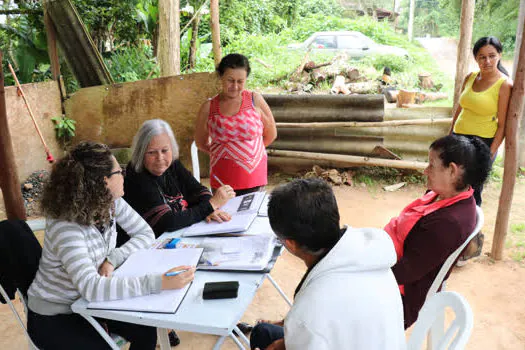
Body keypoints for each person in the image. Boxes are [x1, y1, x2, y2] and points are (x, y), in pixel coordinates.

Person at [27, 141, 195, 350]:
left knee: (145, 330)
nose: (123, 176)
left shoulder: (111, 202)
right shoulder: (66, 225)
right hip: (56, 315)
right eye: (119, 171)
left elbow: (145, 233)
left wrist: (112, 259)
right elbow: (91, 287)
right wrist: (159, 282)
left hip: (90, 304)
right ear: (103, 181)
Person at [250, 179, 406, 350]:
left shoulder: (309, 311)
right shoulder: (371, 256)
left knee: (263, 335)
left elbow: (315, 324)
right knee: (263, 332)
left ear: (291, 244)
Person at [386, 135, 491, 329]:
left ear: (452, 170)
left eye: (431, 165)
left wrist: (363, 272)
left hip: (398, 297)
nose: (425, 170)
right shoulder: (441, 195)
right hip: (387, 261)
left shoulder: (449, 223)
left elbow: (405, 272)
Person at [449, 36, 512, 263]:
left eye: (492, 56)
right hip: (458, 140)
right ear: (476, 58)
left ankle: (470, 245)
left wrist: (490, 154)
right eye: (482, 57)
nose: (487, 61)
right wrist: (450, 134)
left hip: (481, 145)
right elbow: (460, 108)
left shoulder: (504, 85)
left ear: (500, 55)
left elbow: (503, 125)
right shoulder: (470, 77)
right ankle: (449, 240)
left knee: (472, 194)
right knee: (451, 189)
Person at [121, 119, 236, 239]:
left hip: (180, 235)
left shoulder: (172, 164)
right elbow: (168, 222)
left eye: (165, 150)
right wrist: (210, 206)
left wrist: (209, 209)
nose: (160, 157)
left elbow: (198, 190)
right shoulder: (136, 175)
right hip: (151, 245)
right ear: (141, 153)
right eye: (151, 152)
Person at [195, 53, 277, 196]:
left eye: (240, 81)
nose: (235, 86)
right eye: (230, 80)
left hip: (254, 176)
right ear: (220, 77)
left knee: (252, 215)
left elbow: (271, 134)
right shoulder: (209, 107)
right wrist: (224, 154)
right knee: (225, 215)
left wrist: (250, 155)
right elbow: (201, 143)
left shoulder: (254, 100)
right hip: (222, 179)